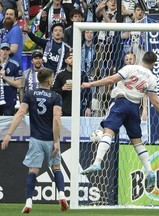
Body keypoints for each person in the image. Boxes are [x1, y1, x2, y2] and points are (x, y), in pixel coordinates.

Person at [80, 51, 159, 192]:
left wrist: (90, 84)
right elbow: (155, 102)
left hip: (121, 102)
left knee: (108, 131)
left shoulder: (130, 68)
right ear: (153, 64)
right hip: (134, 108)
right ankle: (149, 170)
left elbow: (111, 80)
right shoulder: (152, 78)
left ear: (141, 58)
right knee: (137, 142)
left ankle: (97, 162)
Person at [1, 68, 69, 213]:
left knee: (33, 170)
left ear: (38, 80)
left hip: (36, 139)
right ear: (50, 81)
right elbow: (56, 119)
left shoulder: (30, 94)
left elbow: (20, 113)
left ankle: (29, 202)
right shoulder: (56, 97)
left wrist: (9, 134)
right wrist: (56, 141)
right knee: (56, 168)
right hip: (51, 139)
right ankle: (62, 195)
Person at [52, 51, 92, 116]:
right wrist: (62, 88)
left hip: (80, 109)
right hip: (63, 110)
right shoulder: (60, 74)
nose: (73, 60)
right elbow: (53, 92)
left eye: (74, 58)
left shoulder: (82, 74)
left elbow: (89, 92)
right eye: (70, 58)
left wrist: (88, 107)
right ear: (65, 60)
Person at [0, 42, 22, 115]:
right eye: (3, 49)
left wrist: (5, 78)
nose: (5, 51)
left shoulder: (15, 65)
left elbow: (19, 85)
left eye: (7, 49)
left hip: (9, 100)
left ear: (9, 51)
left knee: (8, 124)